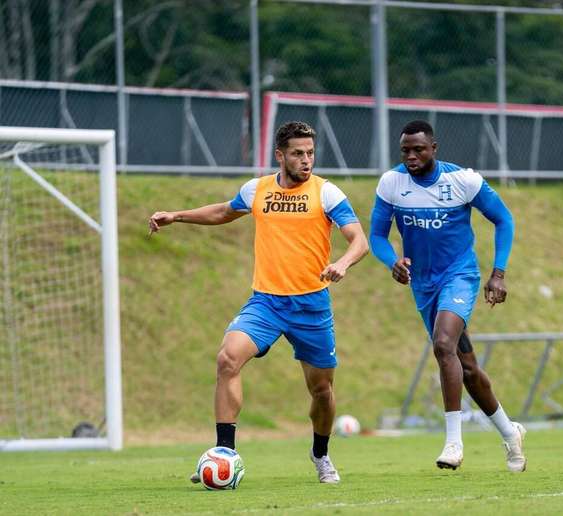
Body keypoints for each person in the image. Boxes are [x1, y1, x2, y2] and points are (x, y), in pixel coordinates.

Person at [148, 121, 369, 484]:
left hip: (311, 306)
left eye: (310, 153)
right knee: (227, 357)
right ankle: (224, 453)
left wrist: (342, 263)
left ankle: (321, 453)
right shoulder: (258, 190)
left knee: (322, 391)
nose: (306, 160)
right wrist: (177, 216)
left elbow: (358, 239)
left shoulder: (327, 194)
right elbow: (223, 211)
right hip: (266, 302)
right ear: (280, 155)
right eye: (298, 154)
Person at [369, 120, 526, 472]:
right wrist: (392, 260)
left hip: (459, 275)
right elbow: (377, 235)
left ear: (434, 148)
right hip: (422, 284)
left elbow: (504, 219)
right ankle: (510, 432)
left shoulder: (463, 181)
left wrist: (498, 274)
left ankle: (453, 442)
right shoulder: (392, 183)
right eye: (405, 150)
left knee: (443, 344)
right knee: (466, 367)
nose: (411, 156)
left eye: (418, 149)